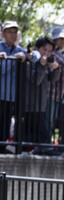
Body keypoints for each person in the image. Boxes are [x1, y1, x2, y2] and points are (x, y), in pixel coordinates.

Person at [23, 36, 61, 154]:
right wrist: (42, 65)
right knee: (40, 133)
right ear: (37, 48)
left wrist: (56, 69)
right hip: (29, 104)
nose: (47, 53)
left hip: (41, 104)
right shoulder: (29, 61)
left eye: (50, 51)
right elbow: (37, 80)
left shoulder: (44, 63)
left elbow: (53, 79)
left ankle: (39, 150)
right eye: (44, 50)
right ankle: (44, 150)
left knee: (38, 133)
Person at [0, 21, 26, 153]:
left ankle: (3, 147)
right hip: (1, 94)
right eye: (10, 31)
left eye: (15, 31)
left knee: (6, 125)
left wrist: (26, 57)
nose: (13, 34)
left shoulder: (20, 50)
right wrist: (13, 59)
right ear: (3, 33)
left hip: (12, 96)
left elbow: (35, 57)